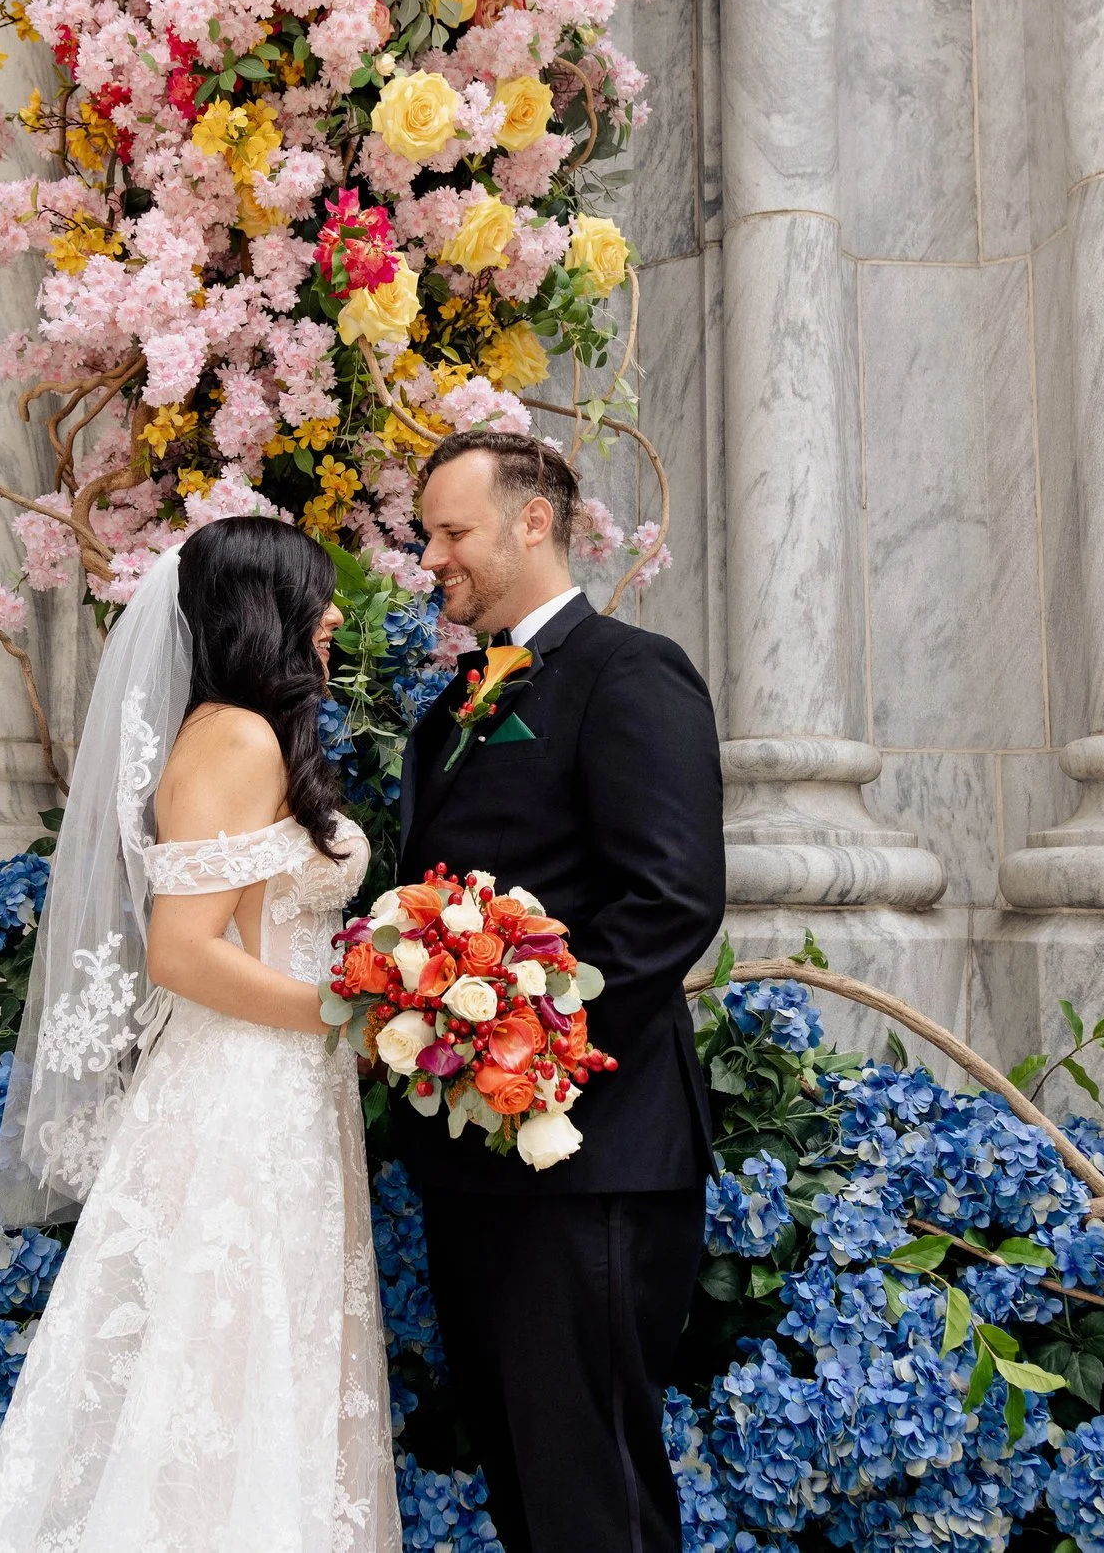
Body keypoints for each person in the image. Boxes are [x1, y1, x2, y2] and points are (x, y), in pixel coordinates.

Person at [0, 516, 394, 1553]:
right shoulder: (239, 736)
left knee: (237, 1360)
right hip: (245, 1090)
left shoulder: (228, 730)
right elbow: (183, 950)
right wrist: (343, 1017)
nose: (334, 614)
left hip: (269, 1084)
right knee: (223, 1359)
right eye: (316, 592)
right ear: (265, 609)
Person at [395, 428, 726, 1553]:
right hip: (471, 1163)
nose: (430, 555)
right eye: (426, 532)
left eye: (452, 530)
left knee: (592, 1491)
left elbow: (670, 900)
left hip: (595, 1157)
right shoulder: (448, 710)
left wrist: (526, 1045)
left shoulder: (631, 673)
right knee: (523, 1480)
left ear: (532, 520)